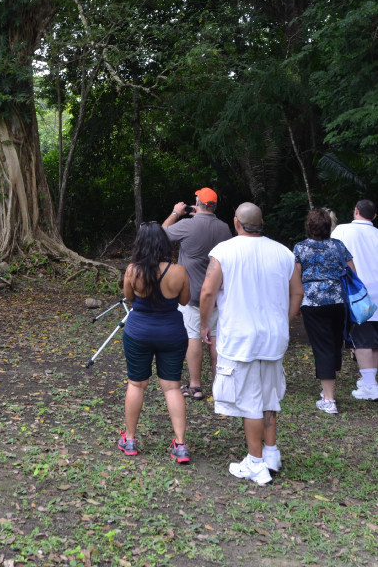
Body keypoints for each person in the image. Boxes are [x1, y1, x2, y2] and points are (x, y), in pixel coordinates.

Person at [199, 202, 303, 485]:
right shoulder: (284, 253)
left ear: (236, 222)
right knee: (269, 396)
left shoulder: (224, 251)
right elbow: (298, 292)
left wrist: (205, 323)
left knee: (250, 402)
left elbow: (208, 291)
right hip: (273, 337)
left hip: (240, 337)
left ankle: (255, 464)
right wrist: (285, 320)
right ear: (262, 222)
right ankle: (271, 453)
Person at [119, 221, 191, 462]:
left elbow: (129, 298)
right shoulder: (179, 271)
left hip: (139, 331)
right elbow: (184, 300)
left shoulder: (132, 270)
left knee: (136, 384)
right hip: (171, 332)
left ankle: (129, 439)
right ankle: (180, 444)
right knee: (172, 387)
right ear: (163, 242)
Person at [161, 187, 232, 399]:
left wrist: (176, 213)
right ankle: (219, 385)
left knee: (193, 336)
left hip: (191, 294)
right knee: (215, 337)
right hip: (217, 294)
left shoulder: (187, 225)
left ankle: (195, 385)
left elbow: (161, 233)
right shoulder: (224, 228)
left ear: (198, 203)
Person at [292, 208, 355, 413]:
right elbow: (352, 272)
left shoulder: (300, 248)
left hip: (313, 303)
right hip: (338, 301)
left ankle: (329, 399)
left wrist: (297, 302)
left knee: (322, 347)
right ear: (328, 227)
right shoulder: (338, 246)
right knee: (335, 343)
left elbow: (296, 279)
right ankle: (328, 387)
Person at [331, 199, 378, 400]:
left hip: (359, 292)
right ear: (374, 216)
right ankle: (370, 381)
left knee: (363, 339)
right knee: (374, 339)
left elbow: (332, 253)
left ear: (355, 211)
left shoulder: (343, 230)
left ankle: (369, 385)